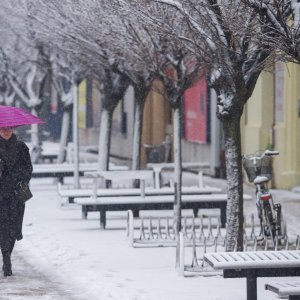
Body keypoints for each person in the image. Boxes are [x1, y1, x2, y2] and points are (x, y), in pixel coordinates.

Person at [0, 126, 33, 276]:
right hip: (1, 194)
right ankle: (6, 260)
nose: (6, 132)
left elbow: (28, 168)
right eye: (2, 129)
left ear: (12, 129)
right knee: (3, 228)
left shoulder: (21, 147)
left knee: (14, 228)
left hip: (16, 194)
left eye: (8, 129)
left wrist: (19, 178)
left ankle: (8, 254)